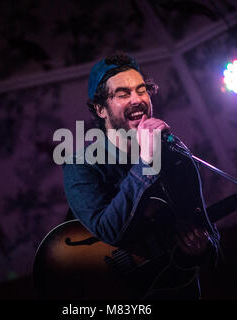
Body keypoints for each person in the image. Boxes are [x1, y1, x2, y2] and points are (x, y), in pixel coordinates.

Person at [62, 52, 220, 299]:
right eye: (123, 94)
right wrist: (146, 161)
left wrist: (202, 247)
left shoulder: (174, 154)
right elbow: (110, 231)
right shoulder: (82, 164)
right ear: (100, 108)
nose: (137, 100)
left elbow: (209, 237)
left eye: (141, 90)